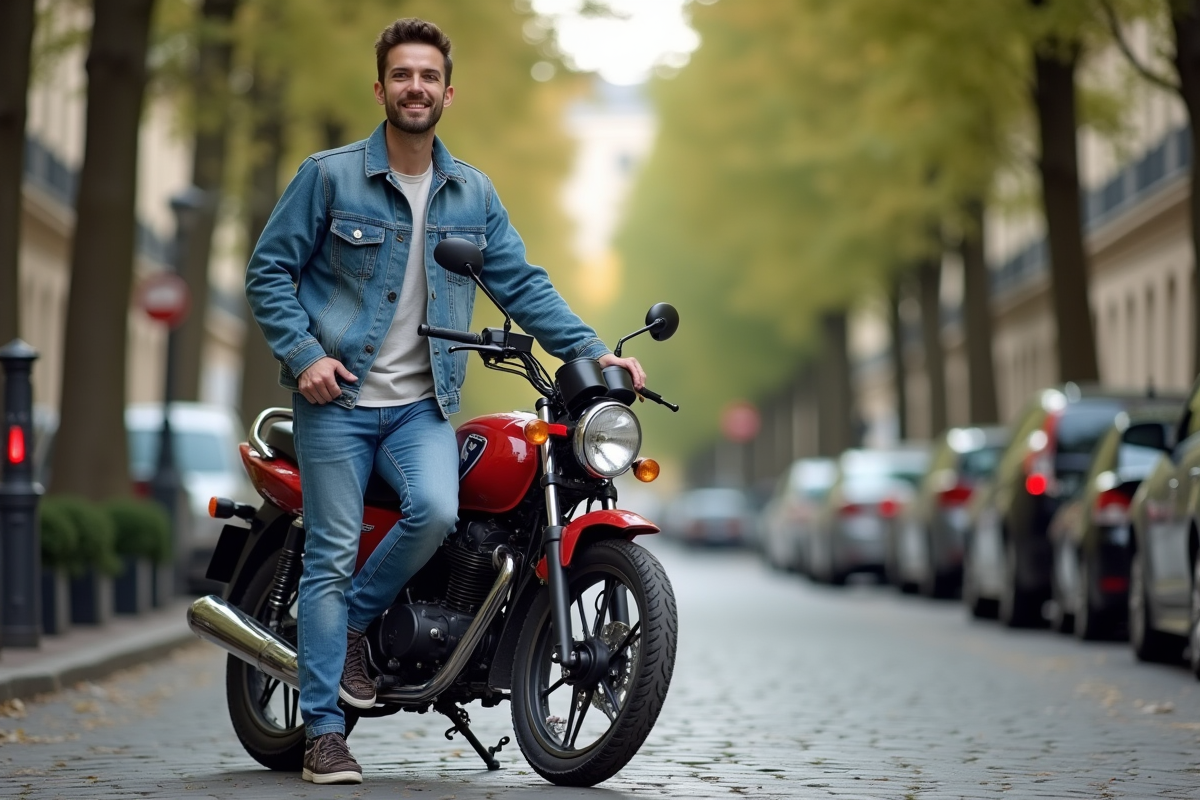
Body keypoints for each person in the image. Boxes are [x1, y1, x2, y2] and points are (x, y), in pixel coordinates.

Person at [244, 17, 644, 786]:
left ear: (447, 92)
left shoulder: (473, 194)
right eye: (402, 76)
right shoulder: (328, 176)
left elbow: (522, 284)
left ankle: (357, 625)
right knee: (329, 552)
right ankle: (326, 734)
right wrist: (306, 357)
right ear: (381, 88)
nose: (416, 88)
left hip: (419, 407)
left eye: (428, 77)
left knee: (437, 511)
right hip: (338, 403)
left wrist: (591, 352)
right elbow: (269, 273)